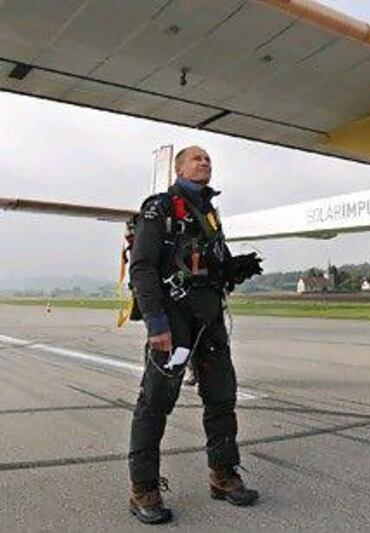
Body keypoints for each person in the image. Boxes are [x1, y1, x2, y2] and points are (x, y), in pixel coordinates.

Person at [127, 146, 263, 524]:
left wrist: (233, 268)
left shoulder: (208, 213)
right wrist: (156, 322)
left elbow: (212, 263)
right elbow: (141, 267)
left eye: (208, 159)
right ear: (179, 167)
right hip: (174, 325)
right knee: (155, 404)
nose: (205, 162)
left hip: (209, 322)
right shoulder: (159, 208)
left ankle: (222, 475)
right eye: (196, 158)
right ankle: (143, 489)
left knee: (221, 397)